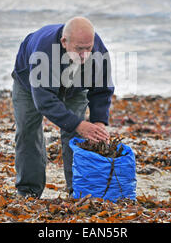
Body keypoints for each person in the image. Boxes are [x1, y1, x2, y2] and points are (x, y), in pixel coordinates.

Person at [11, 16, 114, 198]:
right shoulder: (43, 50)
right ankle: (28, 190)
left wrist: (99, 122)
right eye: (79, 49)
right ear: (64, 42)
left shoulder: (96, 48)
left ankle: (78, 190)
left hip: (74, 86)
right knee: (28, 132)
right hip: (29, 85)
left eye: (88, 49)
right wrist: (78, 124)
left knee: (76, 134)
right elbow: (44, 101)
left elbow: (102, 88)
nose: (84, 55)